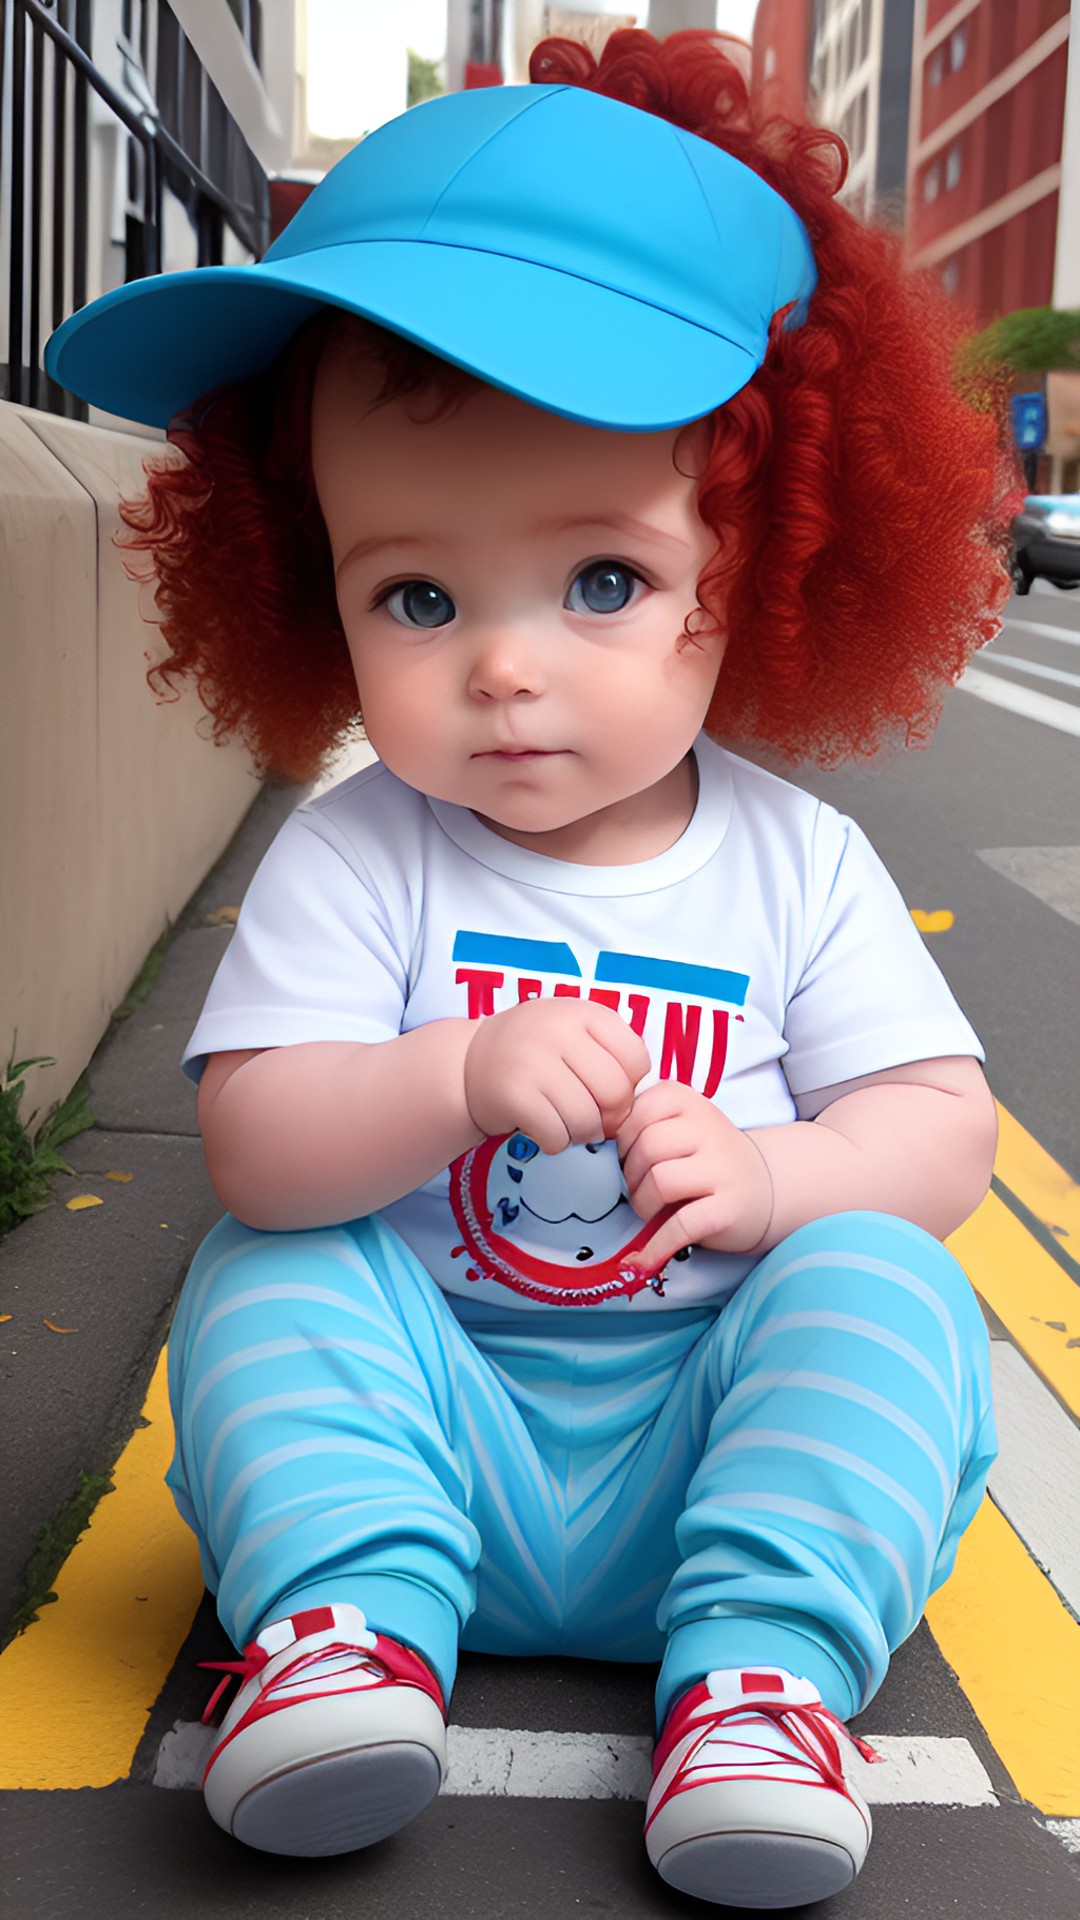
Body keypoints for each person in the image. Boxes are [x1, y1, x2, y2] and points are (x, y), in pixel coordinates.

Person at [46, 30, 1010, 1910]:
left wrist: (789, 1173)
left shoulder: (798, 864)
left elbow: (941, 1127)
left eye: (600, 583)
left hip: (711, 1449)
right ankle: (340, 1631)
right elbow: (256, 1141)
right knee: (271, 1266)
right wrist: (444, 1078)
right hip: (429, 1444)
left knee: (887, 1285)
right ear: (306, 581)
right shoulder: (360, 852)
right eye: (418, 595)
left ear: (772, 561)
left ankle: (760, 1681)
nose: (502, 666)